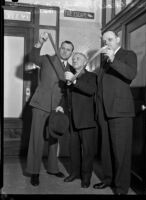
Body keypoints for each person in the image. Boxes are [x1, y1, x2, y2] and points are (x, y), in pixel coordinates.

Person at [25, 32, 74, 186]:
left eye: (68, 50)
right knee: (37, 138)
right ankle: (34, 171)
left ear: (71, 53)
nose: (65, 51)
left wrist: (62, 106)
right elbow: (32, 57)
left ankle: (53, 168)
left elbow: (68, 92)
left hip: (57, 107)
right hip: (40, 104)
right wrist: (40, 42)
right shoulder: (46, 59)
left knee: (54, 139)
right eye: (63, 48)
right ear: (59, 48)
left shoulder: (71, 70)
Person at [93, 30, 137, 194]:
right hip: (104, 111)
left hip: (120, 111)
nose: (107, 43)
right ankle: (108, 179)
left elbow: (131, 74)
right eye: (105, 41)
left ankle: (121, 188)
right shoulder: (104, 61)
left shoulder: (128, 54)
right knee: (106, 149)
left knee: (121, 152)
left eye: (110, 39)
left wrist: (113, 59)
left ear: (118, 40)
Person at [57, 52, 97, 188]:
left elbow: (91, 90)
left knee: (87, 152)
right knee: (73, 150)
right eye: (73, 58)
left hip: (87, 121)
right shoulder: (69, 77)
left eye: (78, 58)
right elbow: (66, 96)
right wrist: (61, 106)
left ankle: (86, 177)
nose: (74, 59)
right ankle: (74, 173)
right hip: (72, 120)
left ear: (85, 62)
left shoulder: (92, 76)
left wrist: (74, 81)